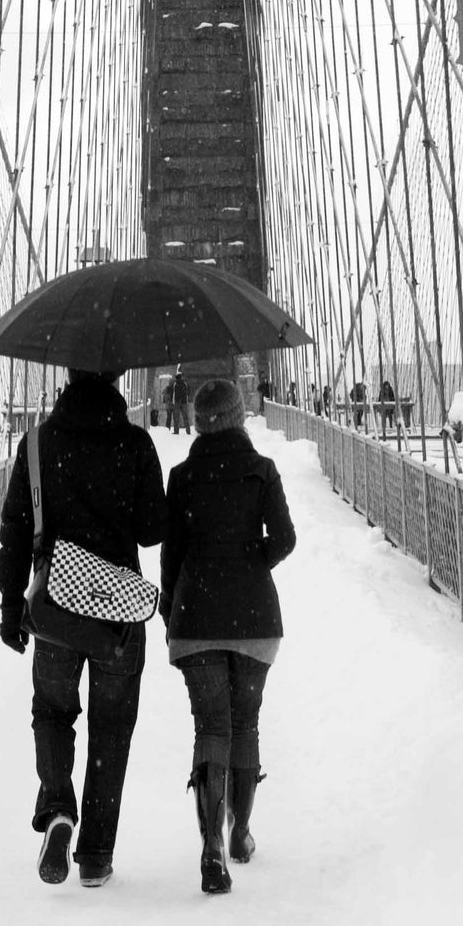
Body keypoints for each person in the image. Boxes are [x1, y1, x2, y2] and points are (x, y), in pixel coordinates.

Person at [0, 367, 167, 889]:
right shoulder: (135, 443)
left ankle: (57, 810)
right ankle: (95, 856)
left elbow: (15, 533)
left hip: (56, 614)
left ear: (66, 378)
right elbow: (152, 530)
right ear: (116, 380)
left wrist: (10, 608)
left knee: (52, 711)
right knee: (112, 730)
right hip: (117, 616)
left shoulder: (36, 445)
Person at [159, 377, 297, 896]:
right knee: (246, 721)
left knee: (210, 725)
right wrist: (249, 564)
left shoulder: (183, 477)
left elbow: (172, 554)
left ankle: (211, 846)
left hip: (196, 618)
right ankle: (240, 833)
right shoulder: (261, 471)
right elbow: (284, 538)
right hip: (256, 618)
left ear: (197, 422)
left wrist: (173, 604)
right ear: (239, 415)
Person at [169, 367, 191, 435]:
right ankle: (188, 431)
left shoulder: (174, 384)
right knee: (185, 417)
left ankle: (176, 431)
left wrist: (172, 401)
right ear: (181, 377)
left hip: (176, 402)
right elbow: (188, 392)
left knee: (176, 418)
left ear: (176, 378)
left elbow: (172, 393)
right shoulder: (185, 383)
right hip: (184, 402)